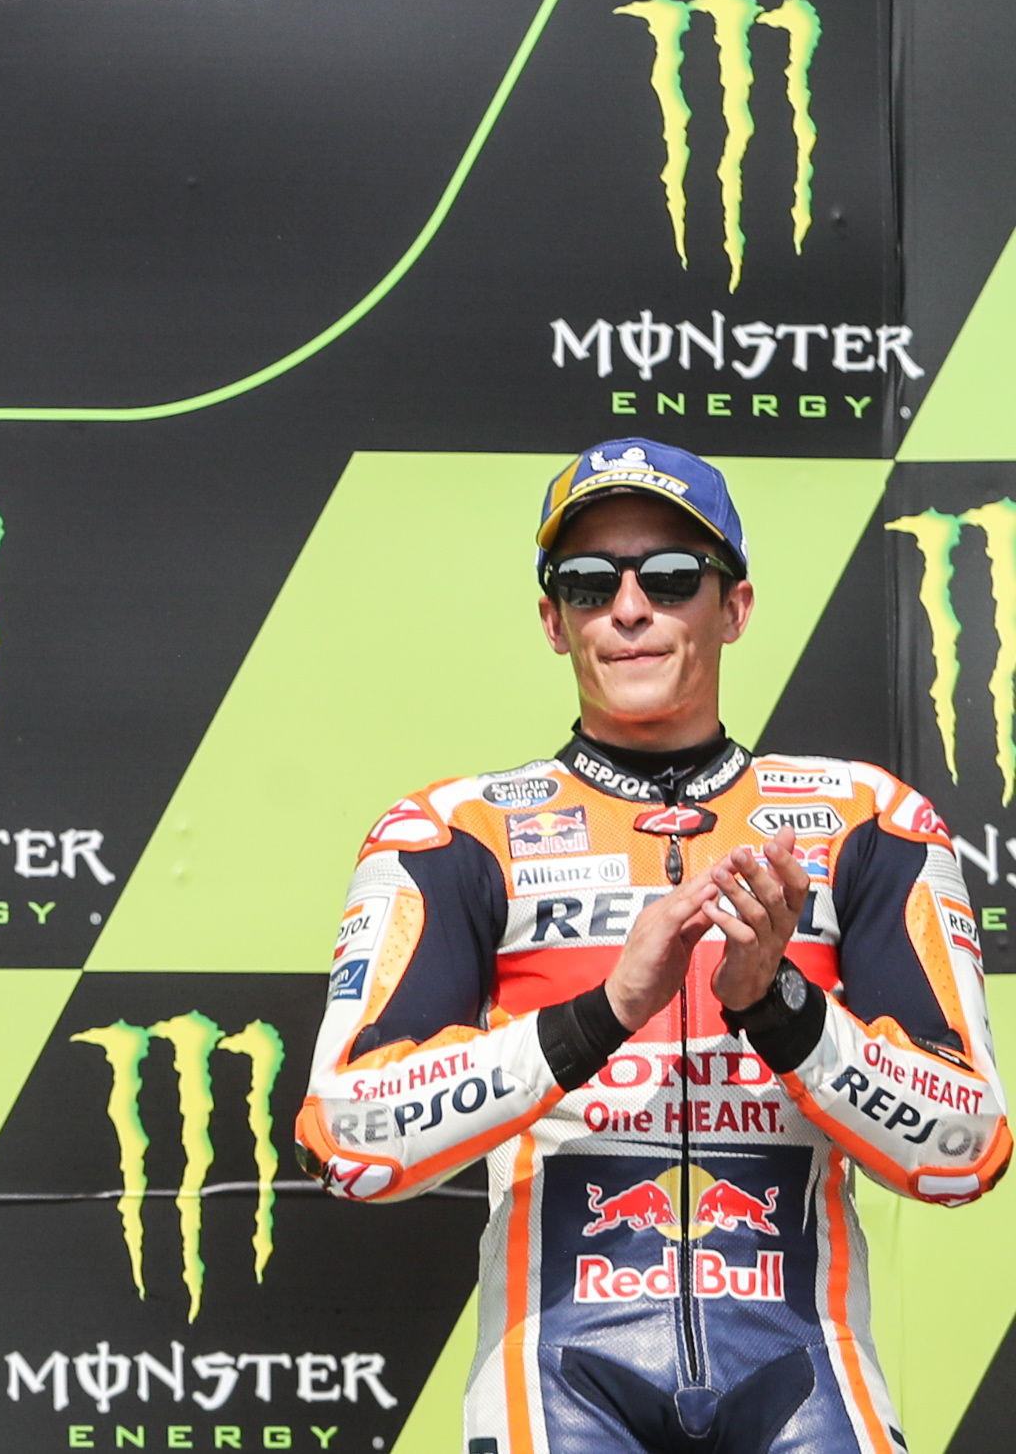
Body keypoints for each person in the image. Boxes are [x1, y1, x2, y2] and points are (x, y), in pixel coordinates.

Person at [295, 441, 1007, 1454]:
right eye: (590, 583)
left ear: (735, 607)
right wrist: (603, 1013)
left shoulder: (871, 822)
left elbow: (966, 1148)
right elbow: (348, 1141)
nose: (628, 608)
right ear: (554, 621)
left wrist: (779, 1010)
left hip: (804, 1365)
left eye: (670, 576)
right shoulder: (452, 834)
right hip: (554, 1377)